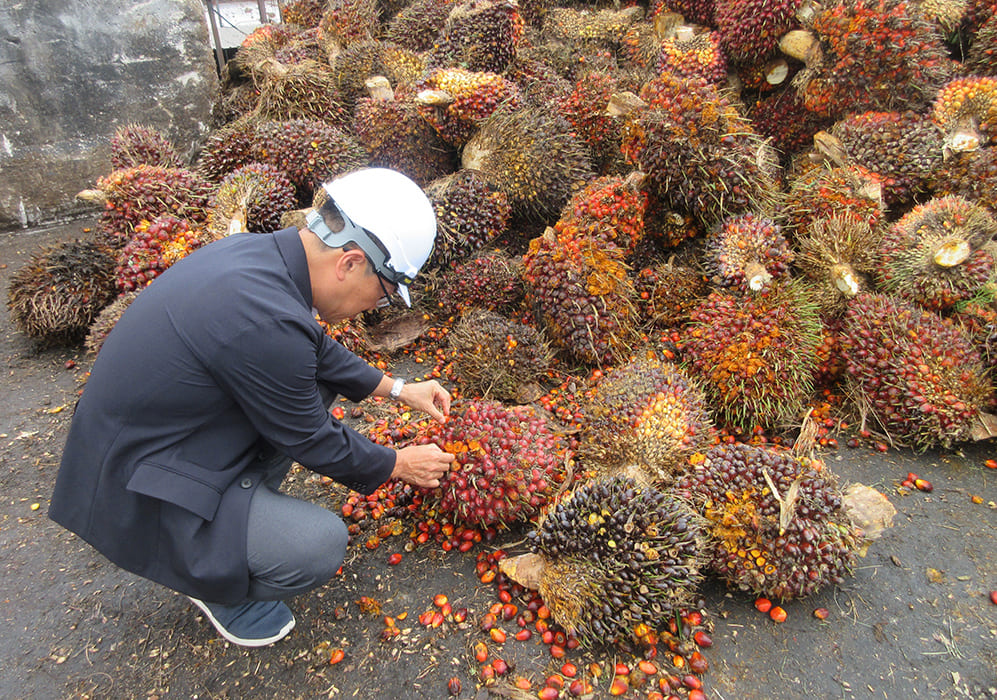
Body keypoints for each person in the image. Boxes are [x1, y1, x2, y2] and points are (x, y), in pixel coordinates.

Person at [49, 167, 456, 647]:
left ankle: (233, 517)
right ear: (349, 263)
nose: (375, 307)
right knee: (318, 545)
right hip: (131, 489)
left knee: (313, 386)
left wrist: (398, 387)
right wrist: (397, 463)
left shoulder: (257, 257)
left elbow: (313, 350)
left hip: (146, 443)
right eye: (384, 292)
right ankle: (214, 583)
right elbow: (310, 437)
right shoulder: (262, 318)